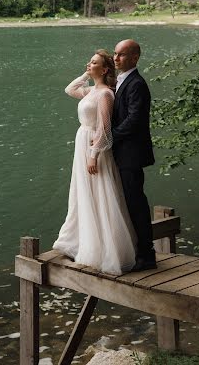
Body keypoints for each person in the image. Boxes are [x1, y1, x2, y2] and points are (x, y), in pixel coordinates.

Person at [53, 50, 137, 275]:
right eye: (89, 61)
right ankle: (84, 240)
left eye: (94, 62)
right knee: (84, 192)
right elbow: (69, 89)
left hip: (93, 148)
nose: (89, 64)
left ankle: (107, 248)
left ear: (105, 69)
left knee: (100, 192)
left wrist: (94, 155)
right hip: (82, 143)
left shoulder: (106, 95)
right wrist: (86, 74)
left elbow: (104, 128)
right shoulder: (90, 90)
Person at [112, 39, 156, 272]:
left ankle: (147, 256)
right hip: (121, 153)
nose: (116, 58)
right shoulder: (119, 81)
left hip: (131, 155)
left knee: (136, 203)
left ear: (135, 58)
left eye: (121, 54)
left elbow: (135, 120)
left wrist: (110, 136)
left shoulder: (137, 83)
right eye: (115, 54)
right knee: (127, 203)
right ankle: (133, 250)